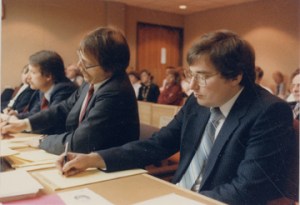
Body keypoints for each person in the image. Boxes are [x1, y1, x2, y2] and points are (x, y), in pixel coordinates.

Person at [56, 30, 295, 204]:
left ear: (236, 77)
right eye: (191, 74)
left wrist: (177, 200)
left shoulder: (268, 112)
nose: (192, 86)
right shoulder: (198, 102)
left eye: (202, 76)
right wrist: (93, 159)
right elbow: (157, 144)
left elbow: (248, 190)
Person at [1, 27, 139, 155]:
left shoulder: (115, 91)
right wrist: (24, 124)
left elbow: (81, 142)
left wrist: (41, 141)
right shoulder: (92, 80)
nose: (79, 66)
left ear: (110, 67)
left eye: (86, 62)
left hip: (109, 170)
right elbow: (64, 108)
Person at [1, 50, 77, 134]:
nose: (28, 78)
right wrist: (9, 118)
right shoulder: (42, 90)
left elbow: (50, 123)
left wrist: (17, 124)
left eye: (33, 72)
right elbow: (34, 114)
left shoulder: (65, 90)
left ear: (48, 76)